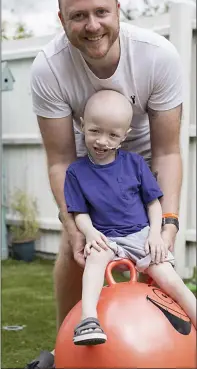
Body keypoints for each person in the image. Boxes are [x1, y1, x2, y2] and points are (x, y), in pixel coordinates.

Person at [26, 0, 184, 367]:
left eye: (101, 12)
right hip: (88, 162)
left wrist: (166, 225)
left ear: (118, 8)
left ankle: (168, 344)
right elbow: (61, 159)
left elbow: (167, 152)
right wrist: (71, 226)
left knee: (157, 258)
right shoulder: (48, 68)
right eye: (78, 16)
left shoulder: (157, 56)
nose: (92, 25)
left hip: (145, 160)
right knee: (75, 244)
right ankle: (68, 341)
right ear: (62, 20)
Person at [63, 90, 196, 345]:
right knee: (94, 262)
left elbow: (153, 204)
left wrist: (156, 234)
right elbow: (79, 212)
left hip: (141, 235)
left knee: (170, 278)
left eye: (112, 135)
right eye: (95, 131)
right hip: (105, 237)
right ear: (82, 125)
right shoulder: (76, 172)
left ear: (124, 136)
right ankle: (88, 320)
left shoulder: (134, 163)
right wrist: (90, 234)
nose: (102, 141)